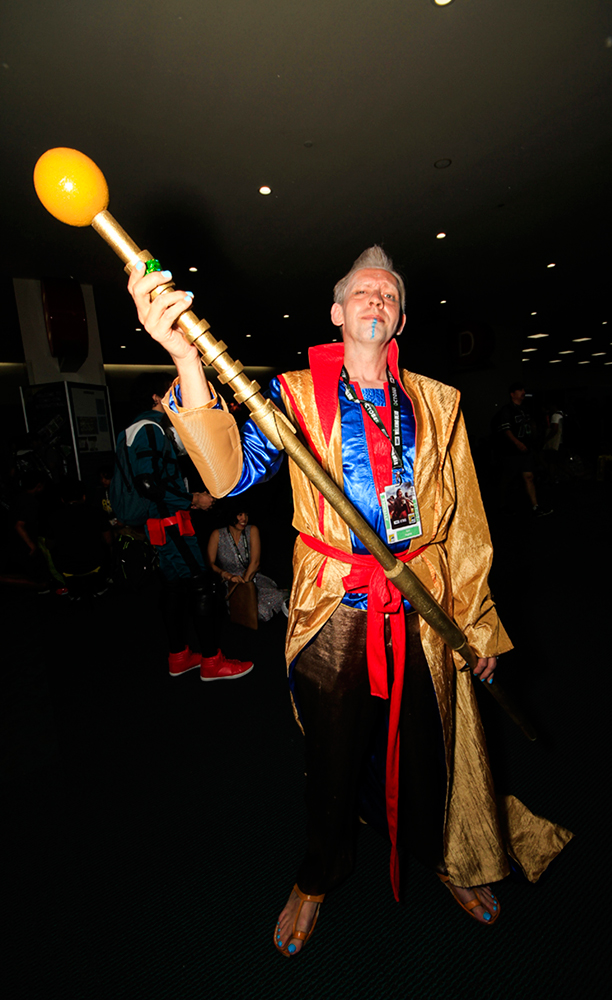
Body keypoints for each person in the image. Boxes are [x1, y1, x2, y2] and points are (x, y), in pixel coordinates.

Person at [128, 247, 572, 956]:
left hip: (424, 602)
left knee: (429, 747)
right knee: (332, 756)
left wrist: (478, 627)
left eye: (389, 295)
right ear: (337, 313)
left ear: (400, 320)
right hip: (333, 603)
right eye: (363, 292)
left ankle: (445, 855)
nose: (376, 300)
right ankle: (316, 877)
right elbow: (229, 476)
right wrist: (186, 358)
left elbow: (465, 523)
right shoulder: (293, 395)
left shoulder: (438, 402)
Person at [121, 373, 253, 681]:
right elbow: (147, 482)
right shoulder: (150, 428)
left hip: (162, 522)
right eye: (170, 391)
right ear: (156, 397)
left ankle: (179, 656)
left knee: (174, 587)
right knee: (202, 586)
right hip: (170, 523)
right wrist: (192, 498)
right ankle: (211, 661)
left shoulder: (140, 428)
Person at [207, 508, 288, 622]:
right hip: (230, 582)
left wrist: (245, 585)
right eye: (240, 514)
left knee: (274, 598)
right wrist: (227, 576)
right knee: (249, 609)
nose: (244, 519)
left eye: (246, 515)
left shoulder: (252, 530)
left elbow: (255, 562)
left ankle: (285, 596)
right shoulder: (217, 534)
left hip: (251, 577)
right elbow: (210, 563)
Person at [497, 382, 552, 517]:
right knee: (508, 478)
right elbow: (506, 429)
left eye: (523, 390)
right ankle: (502, 505)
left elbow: (531, 426)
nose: (523, 392)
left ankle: (535, 506)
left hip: (526, 449)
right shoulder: (507, 410)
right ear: (512, 394)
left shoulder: (525, 409)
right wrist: (517, 443)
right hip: (511, 451)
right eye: (519, 390)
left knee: (529, 476)